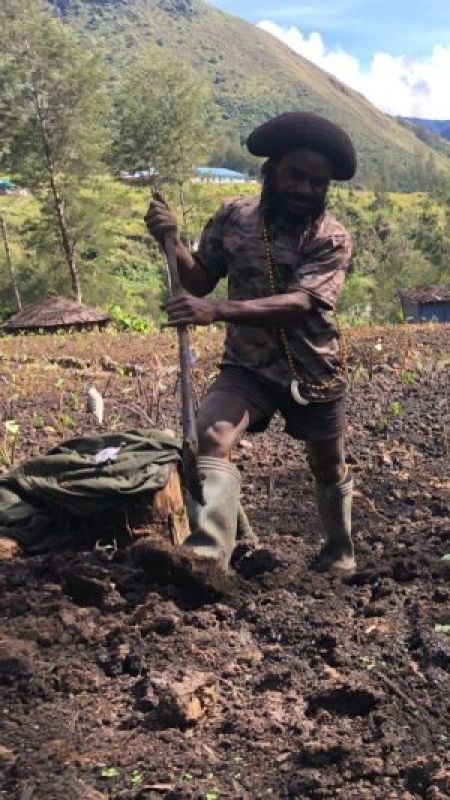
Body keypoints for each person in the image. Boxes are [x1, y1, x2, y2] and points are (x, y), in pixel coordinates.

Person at [143, 112, 358, 575]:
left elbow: (302, 302)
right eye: (296, 176)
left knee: (327, 463)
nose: (304, 189)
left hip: (313, 369)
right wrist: (172, 240)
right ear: (272, 170)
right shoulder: (232, 217)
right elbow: (198, 280)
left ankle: (339, 549)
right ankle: (209, 561)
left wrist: (219, 311)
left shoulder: (332, 237)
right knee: (209, 438)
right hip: (249, 365)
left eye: (317, 183)